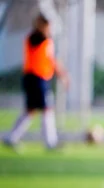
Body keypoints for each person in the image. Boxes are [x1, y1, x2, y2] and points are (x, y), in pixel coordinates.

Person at [2, 14, 69, 151]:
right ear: (41, 25)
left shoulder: (44, 40)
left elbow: (51, 61)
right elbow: (50, 58)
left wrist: (62, 74)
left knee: (30, 110)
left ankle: (12, 138)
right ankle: (50, 142)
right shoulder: (36, 38)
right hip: (36, 79)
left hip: (37, 79)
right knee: (47, 109)